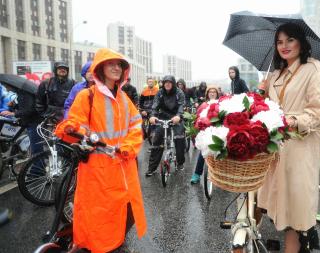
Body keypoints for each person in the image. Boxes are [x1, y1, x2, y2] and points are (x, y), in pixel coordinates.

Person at [54, 48, 147, 252]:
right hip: (97, 168)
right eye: (111, 63)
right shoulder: (86, 96)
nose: (116, 67)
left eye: (119, 64)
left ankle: (115, 242)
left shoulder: (124, 99)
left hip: (123, 165)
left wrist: (127, 148)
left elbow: (136, 126)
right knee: (97, 212)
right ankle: (99, 245)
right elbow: (73, 124)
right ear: (100, 67)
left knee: (122, 208)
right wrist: (75, 130)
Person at [258, 23, 320, 253]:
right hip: (274, 149)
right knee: (271, 201)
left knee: (296, 213)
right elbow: (266, 108)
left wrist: (291, 121)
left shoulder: (314, 69)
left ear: (301, 41)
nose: (284, 46)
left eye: (290, 40)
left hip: (299, 148)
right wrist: (260, 94)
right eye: (279, 42)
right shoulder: (275, 73)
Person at [145, 75, 186, 176]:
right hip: (163, 117)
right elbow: (155, 105)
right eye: (165, 82)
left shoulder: (179, 92)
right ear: (163, 83)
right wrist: (152, 116)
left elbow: (181, 106)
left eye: (169, 82)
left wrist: (178, 116)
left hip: (176, 117)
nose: (167, 84)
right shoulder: (160, 93)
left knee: (179, 139)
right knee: (157, 140)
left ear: (173, 83)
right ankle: (152, 168)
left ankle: (180, 163)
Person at [0, 84, 43, 156]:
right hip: (27, 122)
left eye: (7, 86)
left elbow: (30, 110)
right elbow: (23, 107)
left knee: (36, 147)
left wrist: (13, 114)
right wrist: (13, 105)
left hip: (33, 123)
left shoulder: (27, 94)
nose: (7, 88)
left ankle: (37, 166)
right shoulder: (20, 94)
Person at [190, 85, 220, 184]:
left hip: (218, 132)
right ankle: (197, 174)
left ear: (217, 94)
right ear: (207, 94)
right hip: (205, 132)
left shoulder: (221, 104)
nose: (212, 93)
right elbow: (197, 119)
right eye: (210, 92)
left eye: (214, 92)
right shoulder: (203, 105)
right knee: (202, 153)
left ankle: (221, 175)